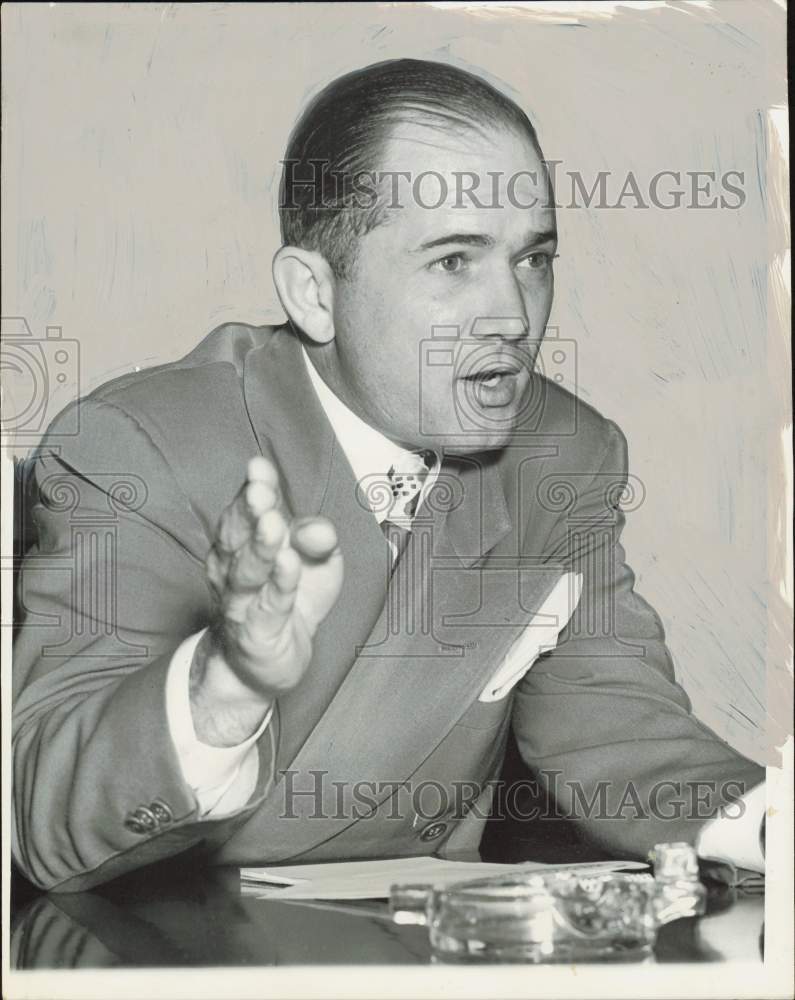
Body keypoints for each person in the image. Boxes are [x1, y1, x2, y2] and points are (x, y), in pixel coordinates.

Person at [11, 59, 765, 892]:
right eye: (453, 261)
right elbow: (46, 822)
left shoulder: (564, 451)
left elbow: (618, 728)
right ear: (313, 293)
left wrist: (771, 826)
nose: (513, 316)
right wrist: (222, 682)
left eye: (532, 259)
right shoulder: (137, 444)